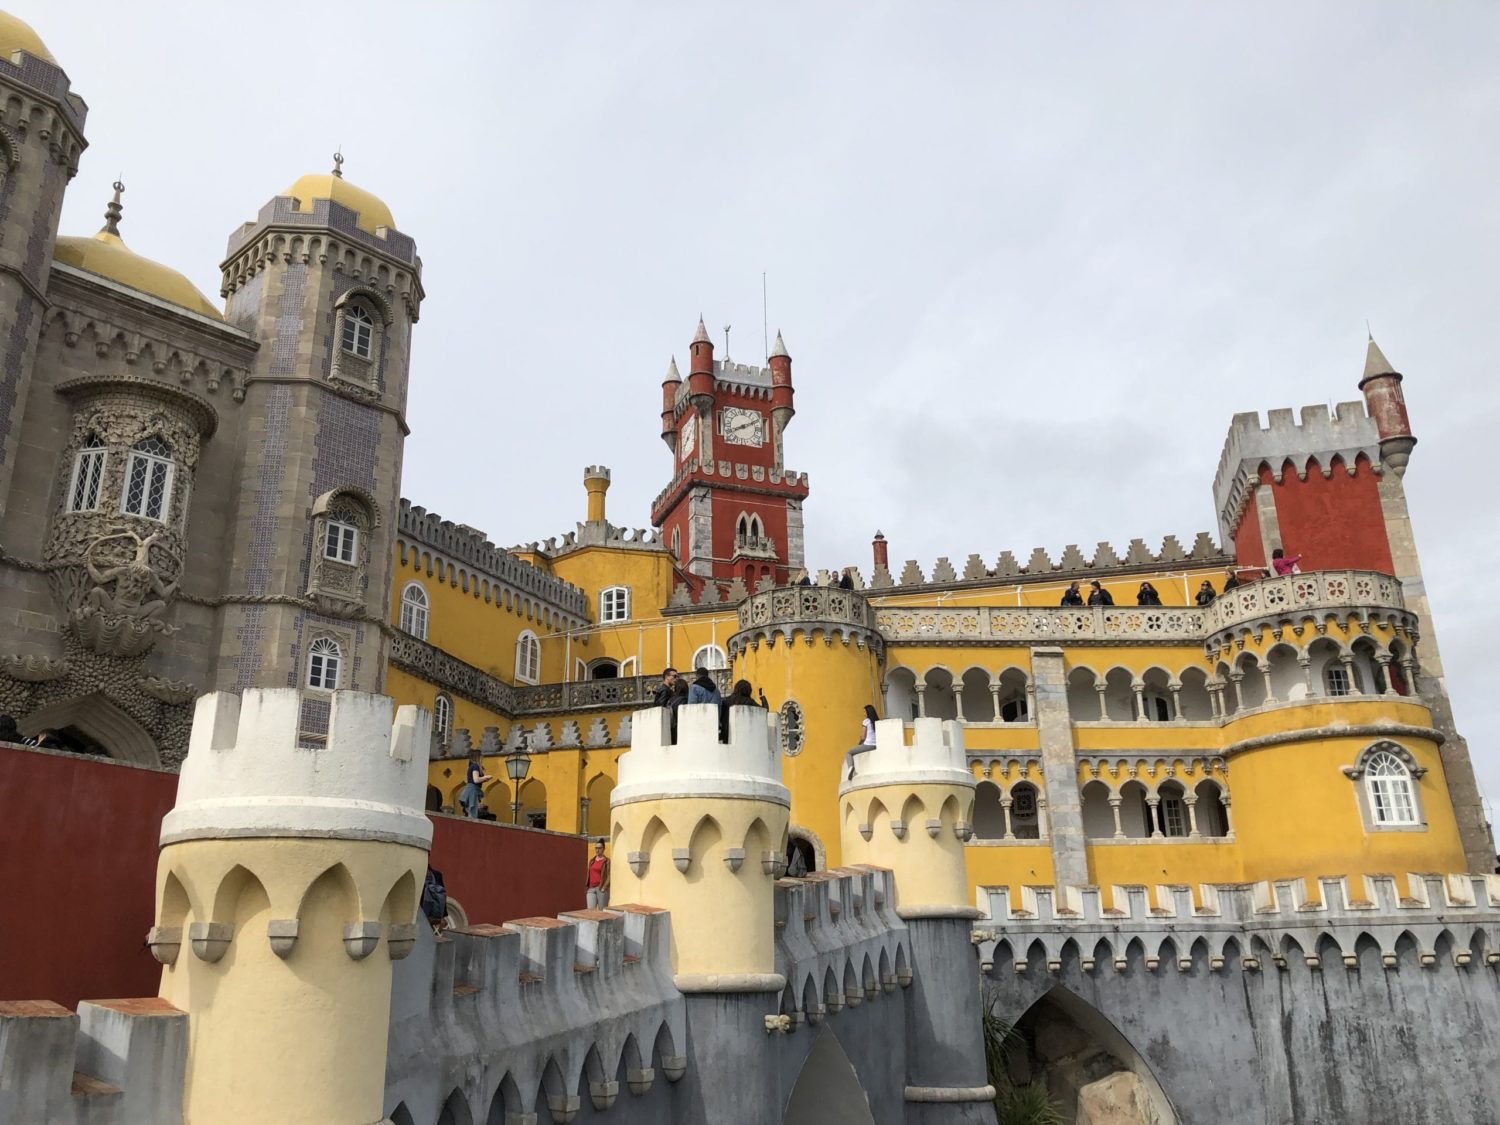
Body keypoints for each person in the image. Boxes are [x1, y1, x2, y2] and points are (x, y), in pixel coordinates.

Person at [844, 705, 879, 780]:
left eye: (865, 712)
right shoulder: (877, 721)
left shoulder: (866, 721)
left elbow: (863, 737)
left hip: (869, 745)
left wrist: (859, 744)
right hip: (876, 745)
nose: (864, 714)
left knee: (849, 752)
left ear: (868, 712)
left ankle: (850, 768)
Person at [421, 866, 449, 934]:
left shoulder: (436, 875)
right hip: (430, 913)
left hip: (428, 913)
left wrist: (442, 916)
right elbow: (442, 896)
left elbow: (442, 896)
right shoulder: (436, 875)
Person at [460, 754, 489, 819]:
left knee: (472, 810)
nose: (482, 759)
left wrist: (484, 779)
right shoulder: (475, 766)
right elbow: (476, 780)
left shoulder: (472, 766)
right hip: (472, 790)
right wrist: (485, 777)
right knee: (472, 811)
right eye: (481, 757)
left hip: (472, 789)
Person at [585, 840, 610, 909]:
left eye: (599, 848)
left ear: (603, 849)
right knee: (590, 911)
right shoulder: (592, 861)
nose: (597, 850)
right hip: (591, 889)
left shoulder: (607, 861)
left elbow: (609, 876)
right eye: (596, 848)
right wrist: (587, 886)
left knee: (602, 911)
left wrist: (604, 887)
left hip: (601, 888)